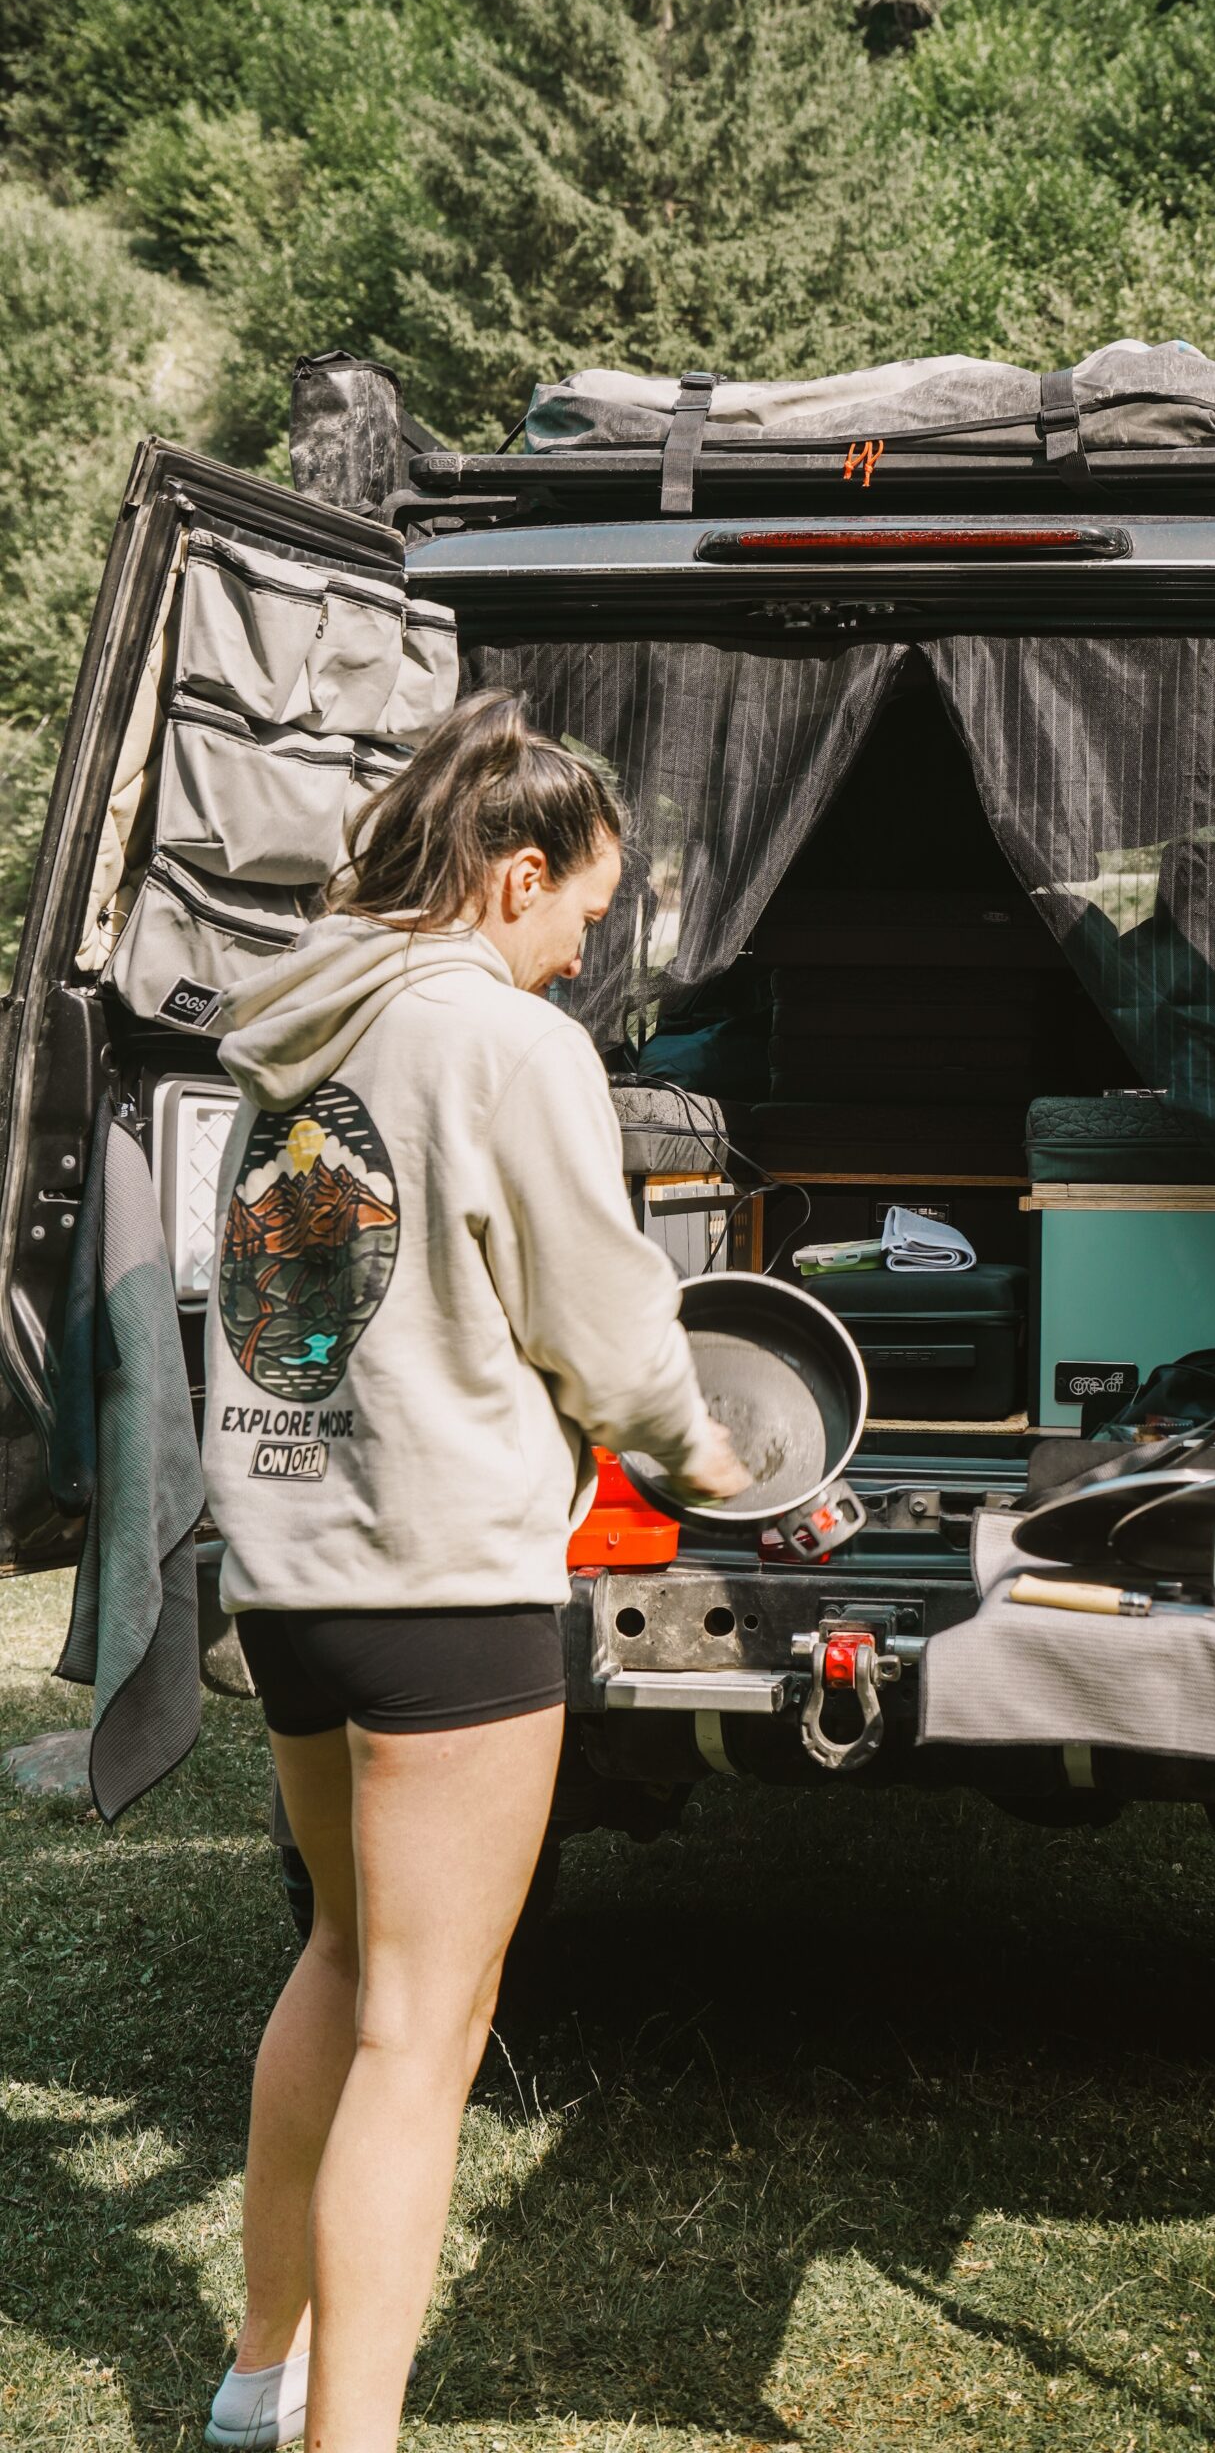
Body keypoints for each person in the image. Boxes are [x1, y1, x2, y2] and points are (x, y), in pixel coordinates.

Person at [198, 692, 749, 2453]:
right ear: (518, 876)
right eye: (585, 914)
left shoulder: (300, 1029)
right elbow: (600, 1317)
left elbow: (285, 1308)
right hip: (443, 1578)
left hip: (290, 1565)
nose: (584, 958)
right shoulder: (503, 1046)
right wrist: (702, 1447)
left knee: (346, 1963)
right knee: (426, 2035)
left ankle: (254, 2379)